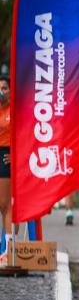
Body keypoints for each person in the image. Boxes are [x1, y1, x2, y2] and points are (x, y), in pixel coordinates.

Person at [0, 75, 11, 265]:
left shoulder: (14, 110)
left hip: (5, 155)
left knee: (4, 205)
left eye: (4, 88)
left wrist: (15, 155)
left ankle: (8, 250)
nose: (1, 92)